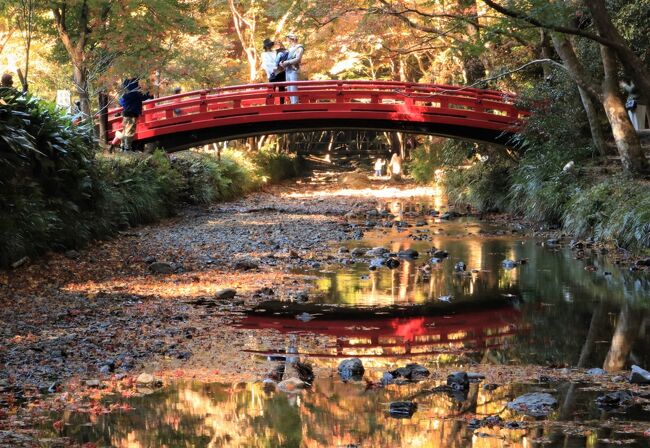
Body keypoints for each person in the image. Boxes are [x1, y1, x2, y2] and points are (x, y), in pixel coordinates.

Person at [118, 78, 153, 151]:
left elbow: (121, 102)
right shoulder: (135, 92)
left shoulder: (124, 94)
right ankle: (127, 149)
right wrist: (149, 94)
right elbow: (143, 96)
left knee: (125, 131)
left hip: (125, 114)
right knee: (130, 132)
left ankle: (123, 147)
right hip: (132, 114)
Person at [279, 33, 304, 104]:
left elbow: (298, 59)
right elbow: (286, 59)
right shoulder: (289, 49)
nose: (288, 41)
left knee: (293, 88)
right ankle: (292, 105)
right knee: (289, 89)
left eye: (288, 39)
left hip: (294, 69)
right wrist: (282, 63)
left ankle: (295, 104)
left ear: (292, 39)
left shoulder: (299, 48)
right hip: (287, 70)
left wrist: (287, 62)